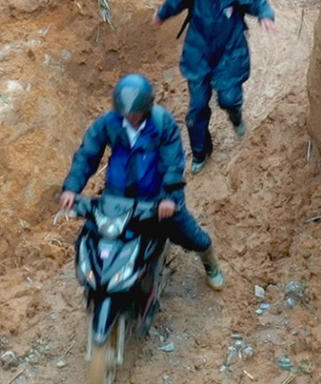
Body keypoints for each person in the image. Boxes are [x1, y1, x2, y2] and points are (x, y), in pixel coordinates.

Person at [59, 74, 224, 290]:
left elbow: (172, 165)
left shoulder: (162, 124)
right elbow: (87, 155)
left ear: (146, 108)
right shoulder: (108, 124)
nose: (130, 118)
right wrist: (71, 188)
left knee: (189, 234)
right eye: (125, 113)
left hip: (156, 198)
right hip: (118, 196)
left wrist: (168, 199)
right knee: (94, 233)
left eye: (134, 113)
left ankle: (209, 261)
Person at [152, 0, 276, 174]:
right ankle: (201, 152)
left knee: (228, 98)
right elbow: (175, 1)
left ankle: (235, 115)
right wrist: (161, 14)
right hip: (198, 54)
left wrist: (265, 15)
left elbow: (257, 0)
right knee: (196, 109)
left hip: (230, 54)